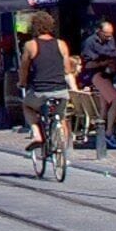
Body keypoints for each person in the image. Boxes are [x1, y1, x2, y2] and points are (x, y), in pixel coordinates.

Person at [17, 11, 76, 160]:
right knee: (60, 116)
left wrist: (22, 82)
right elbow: (68, 69)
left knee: (27, 106)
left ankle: (37, 134)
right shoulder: (61, 44)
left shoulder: (30, 45)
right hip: (61, 91)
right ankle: (62, 149)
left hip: (40, 91)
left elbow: (24, 68)